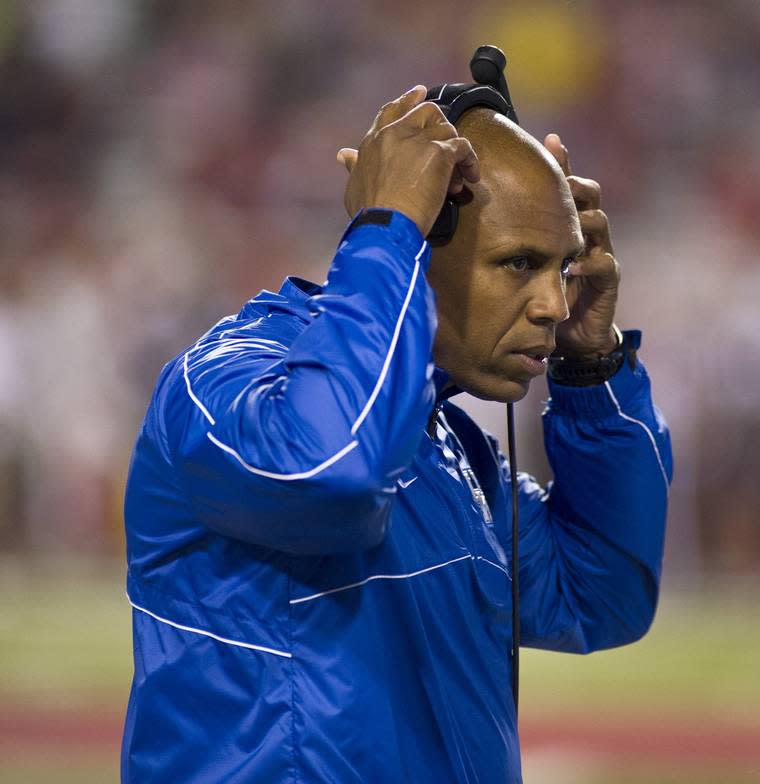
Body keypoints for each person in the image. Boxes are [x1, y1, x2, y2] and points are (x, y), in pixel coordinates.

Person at [120, 84, 672, 782]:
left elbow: (601, 598)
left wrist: (593, 369)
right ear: (421, 249)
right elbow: (329, 471)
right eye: (519, 264)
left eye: (562, 267)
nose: (554, 305)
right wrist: (388, 230)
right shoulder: (218, 384)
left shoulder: (448, 445)